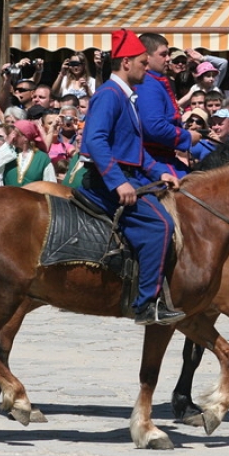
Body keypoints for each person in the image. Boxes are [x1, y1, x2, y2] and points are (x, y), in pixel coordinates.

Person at [77, 28, 183, 325]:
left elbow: (134, 151)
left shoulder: (126, 97)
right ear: (126, 62)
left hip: (128, 175)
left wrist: (160, 171)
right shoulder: (110, 95)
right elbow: (96, 140)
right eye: (142, 62)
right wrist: (118, 181)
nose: (146, 67)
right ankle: (146, 304)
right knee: (159, 225)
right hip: (106, 180)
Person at [135, 32, 200, 178]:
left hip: (165, 157)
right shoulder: (147, 84)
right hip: (153, 161)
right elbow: (154, 127)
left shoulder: (155, 81)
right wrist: (187, 137)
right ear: (147, 56)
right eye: (163, 54)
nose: (168, 58)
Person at [1, 120, 56, 186]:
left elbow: (51, 184)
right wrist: (7, 144)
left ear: (25, 138)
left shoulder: (42, 158)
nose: (13, 137)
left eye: (15, 134)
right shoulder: (7, 153)